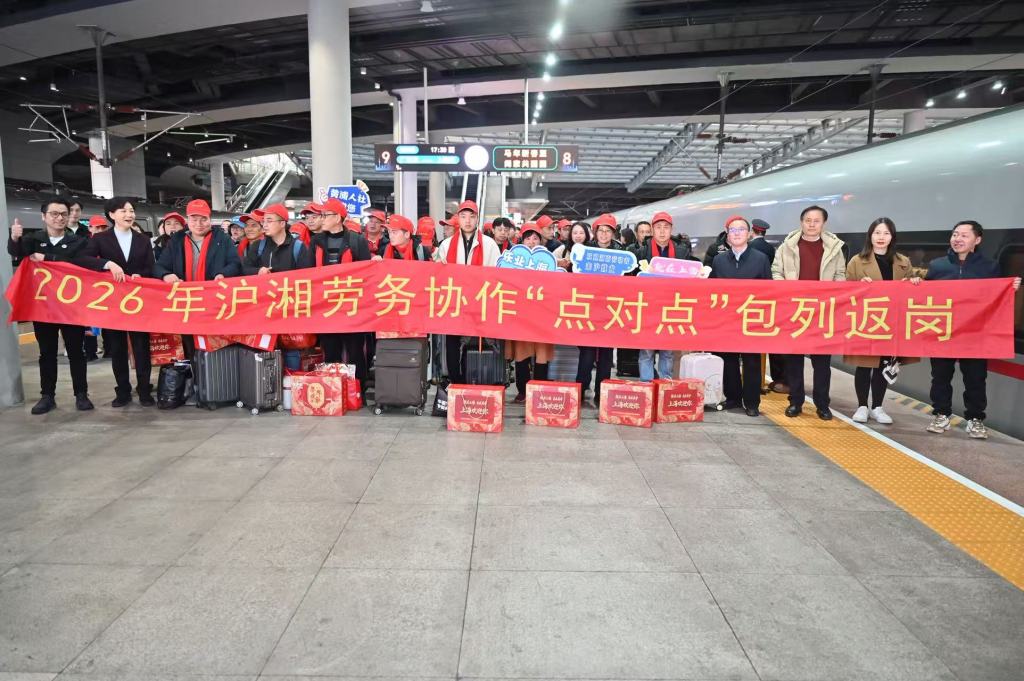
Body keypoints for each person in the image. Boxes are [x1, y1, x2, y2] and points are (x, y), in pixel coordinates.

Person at [924, 220, 1021, 439]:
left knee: (976, 378)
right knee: (940, 377)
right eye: (955, 234)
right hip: (944, 332)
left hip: (975, 334)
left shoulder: (990, 267)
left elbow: (997, 298)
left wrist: (1010, 289)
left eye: (964, 235)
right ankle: (941, 414)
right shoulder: (938, 266)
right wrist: (915, 283)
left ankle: (975, 418)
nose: (957, 239)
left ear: (977, 240)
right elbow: (925, 297)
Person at [7, 198, 95, 414]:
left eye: (64, 214)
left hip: (71, 308)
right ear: (43, 216)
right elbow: (17, 254)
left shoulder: (78, 241)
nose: (59, 218)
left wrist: (47, 257)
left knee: (76, 352)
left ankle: (81, 394)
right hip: (43, 307)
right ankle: (47, 396)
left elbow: (79, 263)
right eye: (54, 214)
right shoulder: (33, 239)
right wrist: (14, 238)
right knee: (46, 353)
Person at [842, 218, 923, 424]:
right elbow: (845, 289)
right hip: (866, 320)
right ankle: (862, 406)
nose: (881, 237)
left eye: (886, 233)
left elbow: (913, 287)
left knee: (884, 364)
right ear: (870, 236)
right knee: (864, 365)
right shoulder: (857, 261)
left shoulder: (903, 262)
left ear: (892, 237)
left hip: (891, 322)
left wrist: (914, 281)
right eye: (877, 233)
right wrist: (859, 285)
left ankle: (877, 406)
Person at [81, 197, 158, 407]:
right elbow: (83, 259)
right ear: (112, 215)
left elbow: (151, 267)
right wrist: (107, 264)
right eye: (123, 211)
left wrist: (141, 275)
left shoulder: (142, 240)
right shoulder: (100, 239)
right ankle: (122, 391)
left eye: (131, 210)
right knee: (117, 348)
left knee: (141, 347)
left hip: (137, 302)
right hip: (113, 303)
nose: (129, 214)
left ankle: (144, 389)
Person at [772, 205, 846, 419]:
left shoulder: (834, 248)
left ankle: (822, 404)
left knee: (822, 364)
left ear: (824, 223)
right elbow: (776, 271)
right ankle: (795, 402)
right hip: (795, 312)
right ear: (801, 222)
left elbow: (840, 275)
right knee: (794, 362)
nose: (812, 224)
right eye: (808, 220)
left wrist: (832, 293)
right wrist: (787, 289)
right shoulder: (787, 247)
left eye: (816, 221)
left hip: (822, 313)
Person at [154, 199, 241, 357]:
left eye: (203, 219)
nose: (199, 224)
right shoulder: (177, 240)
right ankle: (193, 369)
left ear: (209, 219)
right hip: (186, 303)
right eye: (194, 219)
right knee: (188, 343)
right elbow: (159, 266)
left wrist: (223, 274)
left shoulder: (222, 239)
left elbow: (235, 263)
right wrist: (166, 275)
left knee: (214, 344)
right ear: (188, 220)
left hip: (214, 301)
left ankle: (213, 368)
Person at [710, 216, 772, 417]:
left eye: (741, 230)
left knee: (752, 361)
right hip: (726, 320)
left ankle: (752, 402)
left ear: (749, 234)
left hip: (751, 319)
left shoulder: (761, 259)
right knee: (728, 359)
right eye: (732, 230)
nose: (736, 233)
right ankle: (733, 398)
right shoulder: (719, 260)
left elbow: (769, 290)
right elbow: (711, 291)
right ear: (727, 235)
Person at [309, 198, 373, 390]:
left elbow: (367, 274)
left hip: (351, 308)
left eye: (325, 215)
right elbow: (307, 272)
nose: (321, 219)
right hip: (326, 307)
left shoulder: (357, 241)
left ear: (338, 217)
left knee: (355, 352)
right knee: (330, 351)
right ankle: (334, 392)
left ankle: (357, 390)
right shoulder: (316, 241)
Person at [435, 200, 500, 383]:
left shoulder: (489, 244)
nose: (468, 221)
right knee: (452, 341)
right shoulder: (447, 244)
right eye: (463, 216)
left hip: (480, 301)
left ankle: (479, 380)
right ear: (458, 219)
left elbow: (497, 273)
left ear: (477, 218)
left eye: (472, 216)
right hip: (454, 300)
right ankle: (456, 381)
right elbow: (438, 274)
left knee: (479, 341)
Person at [575, 214, 620, 406]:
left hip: (611, 310)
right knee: (587, 353)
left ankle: (602, 392)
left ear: (613, 233)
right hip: (590, 309)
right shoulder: (586, 251)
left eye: (608, 231)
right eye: (601, 230)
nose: (604, 234)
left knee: (606, 354)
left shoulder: (621, 253)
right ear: (595, 232)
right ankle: (580, 389)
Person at [636, 211, 686, 382]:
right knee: (646, 352)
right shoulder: (641, 252)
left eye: (666, 227)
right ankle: (647, 386)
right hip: (647, 308)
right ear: (652, 230)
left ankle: (665, 385)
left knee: (668, 351)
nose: (662, 231)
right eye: (658, 227)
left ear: (671, 229)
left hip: (672, 307)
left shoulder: (681, 252)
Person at [506, 225, 553, 402]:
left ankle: (539, 388)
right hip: (521, 314)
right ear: (522, 241)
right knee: (521, 353)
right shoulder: (513, 260)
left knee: (542, 354)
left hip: (543, 314)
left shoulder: (548, 260)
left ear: (540, 240)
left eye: (535, 238)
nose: (531, 242)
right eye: (528, 238)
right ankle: (523, 390)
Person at [242, 203, 312, 275]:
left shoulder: (298, 247)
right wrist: (258, 271)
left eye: (269, 221)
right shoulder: (258, 246)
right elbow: (244, 269)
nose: (265, 225)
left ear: (282, 224)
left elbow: (306, 274)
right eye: (263, 221)